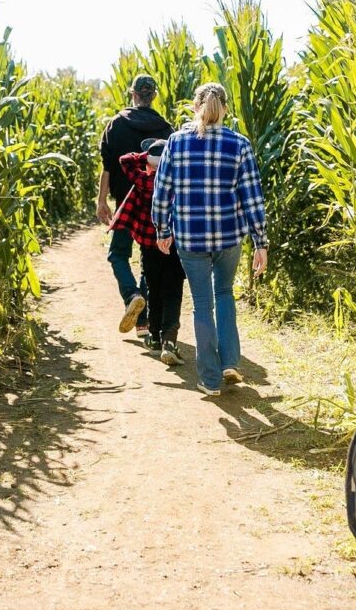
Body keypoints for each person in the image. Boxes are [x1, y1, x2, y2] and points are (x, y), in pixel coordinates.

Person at [151, 82, 268, 396]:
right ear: (225, 109)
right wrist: (260, 242)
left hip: (191, 239)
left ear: (195, 107)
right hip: (229, 237)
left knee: (202, 305)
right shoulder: (239, 144)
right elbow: (252, 198)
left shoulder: (176, 142)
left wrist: (162, 230)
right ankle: (230, 361)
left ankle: (210, 380)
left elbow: (162, 193)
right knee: (225, 295)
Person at [97, 74, 173, 334]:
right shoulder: (165, 128)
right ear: (153, 96)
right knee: (150, 256)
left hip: (126, 204)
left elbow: (108, 167)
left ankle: (131, 296)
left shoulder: (116, 125)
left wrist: (101, 200)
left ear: (133, 94)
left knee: (118, 253)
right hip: (155, 204)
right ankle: (143, 321)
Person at [111, 138, 186, 364]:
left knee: (153, 289)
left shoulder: (145, 180)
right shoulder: (178, 181)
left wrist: (148, 157)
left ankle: (153, 338)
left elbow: (124, 160)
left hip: (149, 245)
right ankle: (169, 341)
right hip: (174, 244)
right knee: (173, 290)